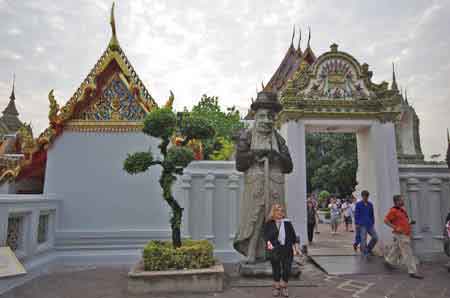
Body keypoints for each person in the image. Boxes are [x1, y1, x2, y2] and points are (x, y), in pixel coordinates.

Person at [234, 91, 293, 264]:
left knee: (276, 219)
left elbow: (289, 166)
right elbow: (240, 164)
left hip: (275, 182)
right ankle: (252, 251)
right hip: (256, 182)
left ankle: (277, 253)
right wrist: (254, 154)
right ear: (255, 116)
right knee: (255, 218)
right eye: (263, 116)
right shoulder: (247, 136)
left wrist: (276, 156)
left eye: (271, 116)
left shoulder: (279, 140)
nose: (267, 120)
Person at [384, 195, 424, 279]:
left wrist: (410, 222)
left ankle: (389, 261)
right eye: (401, 200)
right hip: (401, 234)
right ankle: (413, 271)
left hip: (404, 233)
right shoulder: (393, 211)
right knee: (408, 253)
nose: (403, 201)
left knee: (397, 248)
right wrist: (395, 227)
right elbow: (386, 221)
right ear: (397, 201)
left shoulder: (401, 210)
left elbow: (403, 220)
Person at [264, 204, 300, 297]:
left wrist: (296, 249)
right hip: (275, 250)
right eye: (277, 210)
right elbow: (266, 237)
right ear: (273, 212)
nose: (280, 212)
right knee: (276, 269)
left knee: (287, 269)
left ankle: (284, 285)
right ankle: (277, 287)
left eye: (282, 210)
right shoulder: (269, 223)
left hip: (287, 249)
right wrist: (270, 249)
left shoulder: (287, 223)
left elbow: (293, 236)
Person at [354, 190, 378, 257]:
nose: (365, 197)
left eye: (367, 196)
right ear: (362, 196)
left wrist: (373, 222)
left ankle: (369, 248)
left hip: (369, 224)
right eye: (364, 196)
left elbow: (372, 214)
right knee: (363, 238)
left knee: (375, 237)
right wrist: (357, 223)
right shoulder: (358, 204)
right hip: (361, 224)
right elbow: (356, 215)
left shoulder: (370, 204)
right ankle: (364, 252)